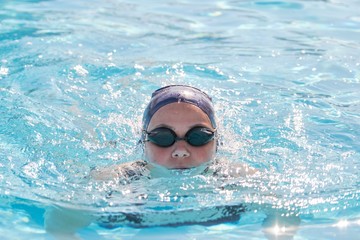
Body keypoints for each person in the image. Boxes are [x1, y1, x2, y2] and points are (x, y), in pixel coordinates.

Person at [91, 84, 256, 181]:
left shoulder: (243, 179)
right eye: (163, 137)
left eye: (198, 136)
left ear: (216, 141)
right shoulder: (112, 181)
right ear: (143, 141)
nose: (180, 152)